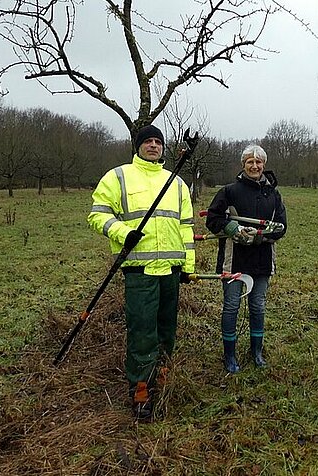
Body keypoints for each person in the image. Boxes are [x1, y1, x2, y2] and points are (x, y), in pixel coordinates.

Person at [87, 124, 195, 421]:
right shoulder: (118, 176)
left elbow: (186, 227)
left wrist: (188, 266)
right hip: (140, 270)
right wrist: (123, 233)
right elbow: (98, 214)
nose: (153, 145)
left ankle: (162, 373)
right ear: (138, 146)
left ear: (164, 148)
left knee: (166, 328)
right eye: (147, 141)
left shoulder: (176, 183)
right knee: (142, 331)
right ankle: (140, 388)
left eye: (158, 142)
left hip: (171, 270)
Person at [205, 144, 286, 373]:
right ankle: (229, 355)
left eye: (258, 161)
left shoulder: (273, 194)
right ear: (243, 165)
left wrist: (260, 237)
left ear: (264, 165)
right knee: (231, 306)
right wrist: (231, 227)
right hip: (234, 260)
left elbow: (282, 227)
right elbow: (212, 220)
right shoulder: (229, 191)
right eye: (250, 161)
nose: (254, 165)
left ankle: (256, 352)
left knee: (258, 307)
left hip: (262, 260)